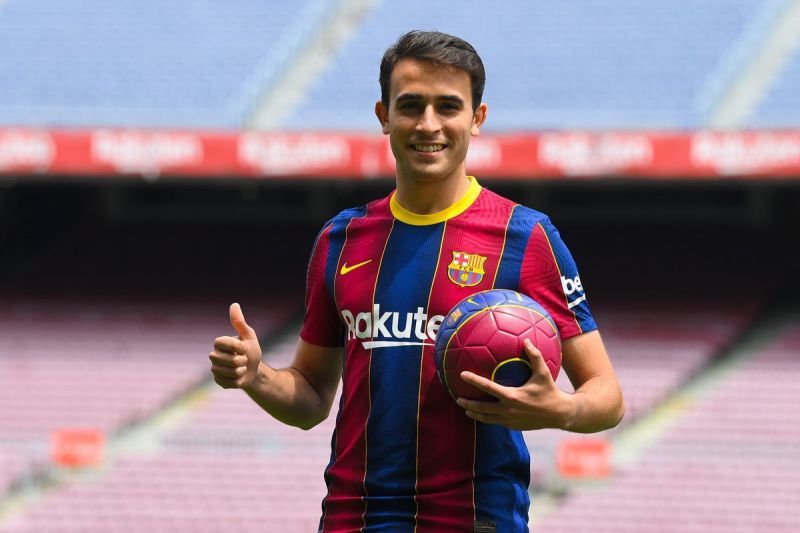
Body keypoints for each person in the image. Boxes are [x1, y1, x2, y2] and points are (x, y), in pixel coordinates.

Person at [210, 30, 624, 532]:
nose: (429, 124)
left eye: (448, 106)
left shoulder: (527, 237)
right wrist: (256, 376)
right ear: (384, 116)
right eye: (410, 106)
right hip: (353, 519)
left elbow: (607, 398)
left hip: (477, 520)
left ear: (477, 118)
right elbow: (310, 400)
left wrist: (559, 409)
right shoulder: (341, 239)